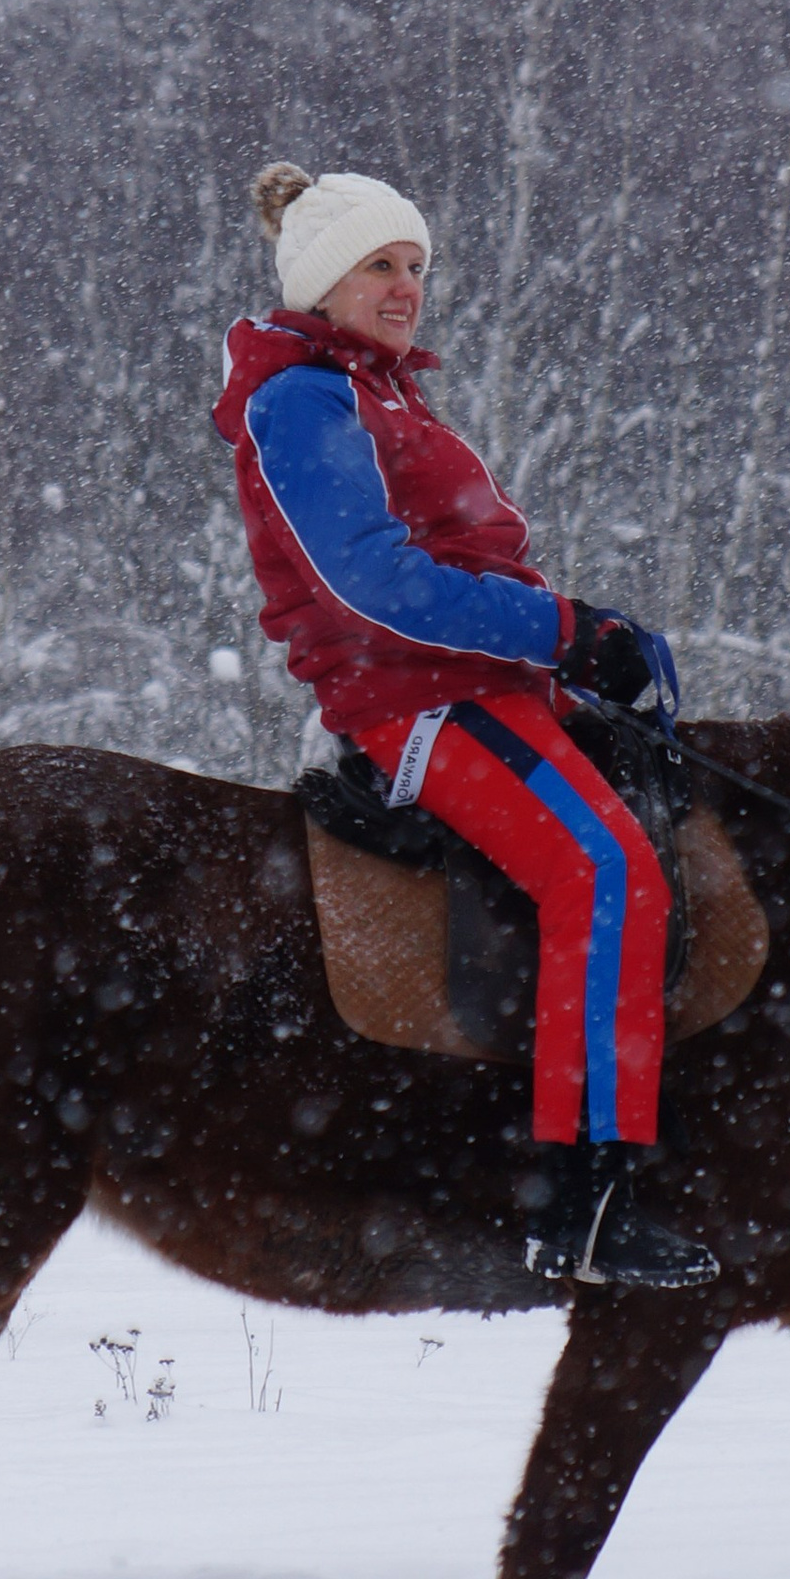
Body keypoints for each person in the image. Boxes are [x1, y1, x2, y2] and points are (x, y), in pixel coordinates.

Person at [213, 162, 716, 1291]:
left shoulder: (377, 386)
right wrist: (562, 628)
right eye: (380, 266)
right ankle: (581, 1204)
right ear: (320, 278)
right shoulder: (302, 396)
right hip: (414, 701)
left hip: (486, 683)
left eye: (415, 267)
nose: (405, 288)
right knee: (608, 875)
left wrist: (587, 645)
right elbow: (373, 586)